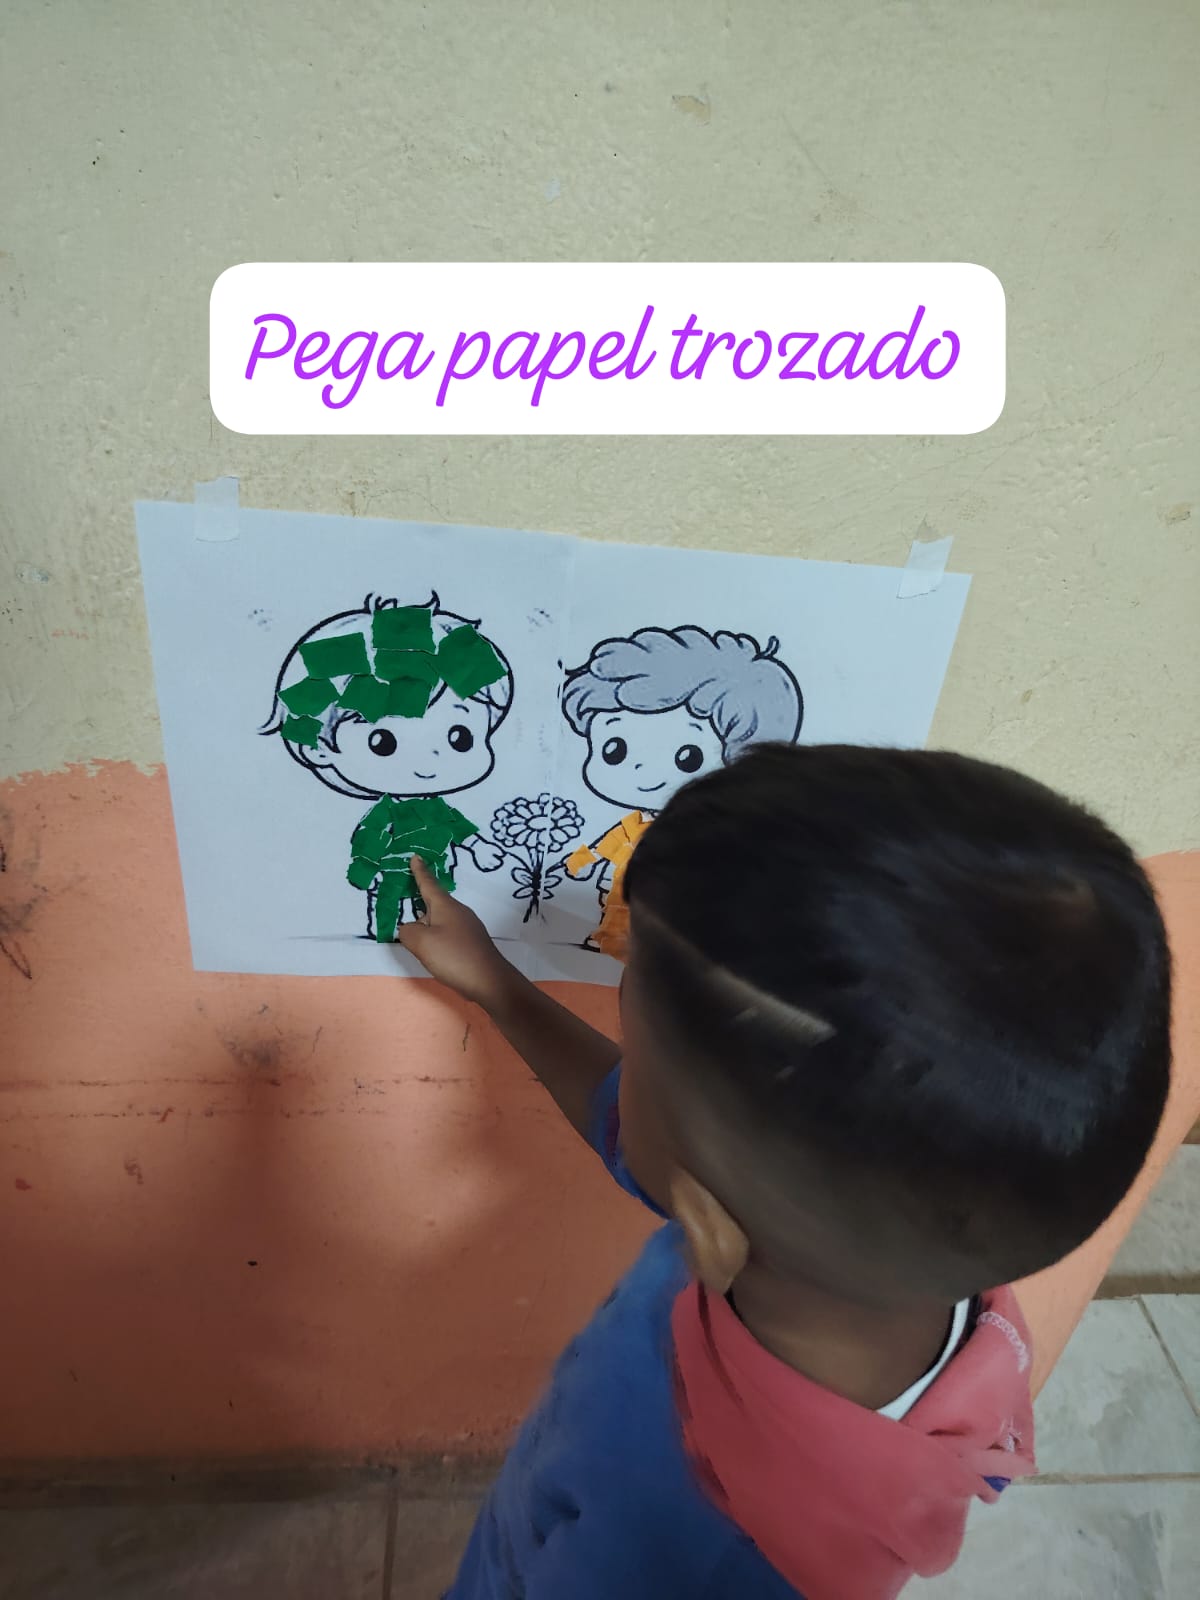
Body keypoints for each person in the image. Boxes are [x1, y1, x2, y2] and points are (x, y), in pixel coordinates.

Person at [396, 744, 1171, 1599]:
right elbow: (647, 1133)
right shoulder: (908, 1241)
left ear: (706, 1225)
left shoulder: (683, 1544)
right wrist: (499, 987)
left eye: (632, 1031)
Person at [263, 594, 513, 940]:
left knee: (435, 907)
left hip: (437, 871)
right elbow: (370, 836)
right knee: (388, 902)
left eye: (459, 737)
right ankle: (384, 934)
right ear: (320, 747)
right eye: (382, 742)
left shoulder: (438, 810)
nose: (428, 762)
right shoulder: (385, 812)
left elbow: (458, 826)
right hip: (393, 871)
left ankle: (428, 933)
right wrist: (364, 870)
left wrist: (480, 847)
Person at [561, 626, 803, 956]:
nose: (643, 774)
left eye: (688, 758)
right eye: (614, 749)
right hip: (620, 899)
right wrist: (579, 862)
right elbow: (605, 846)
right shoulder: (634, 825)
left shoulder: (707, 836)